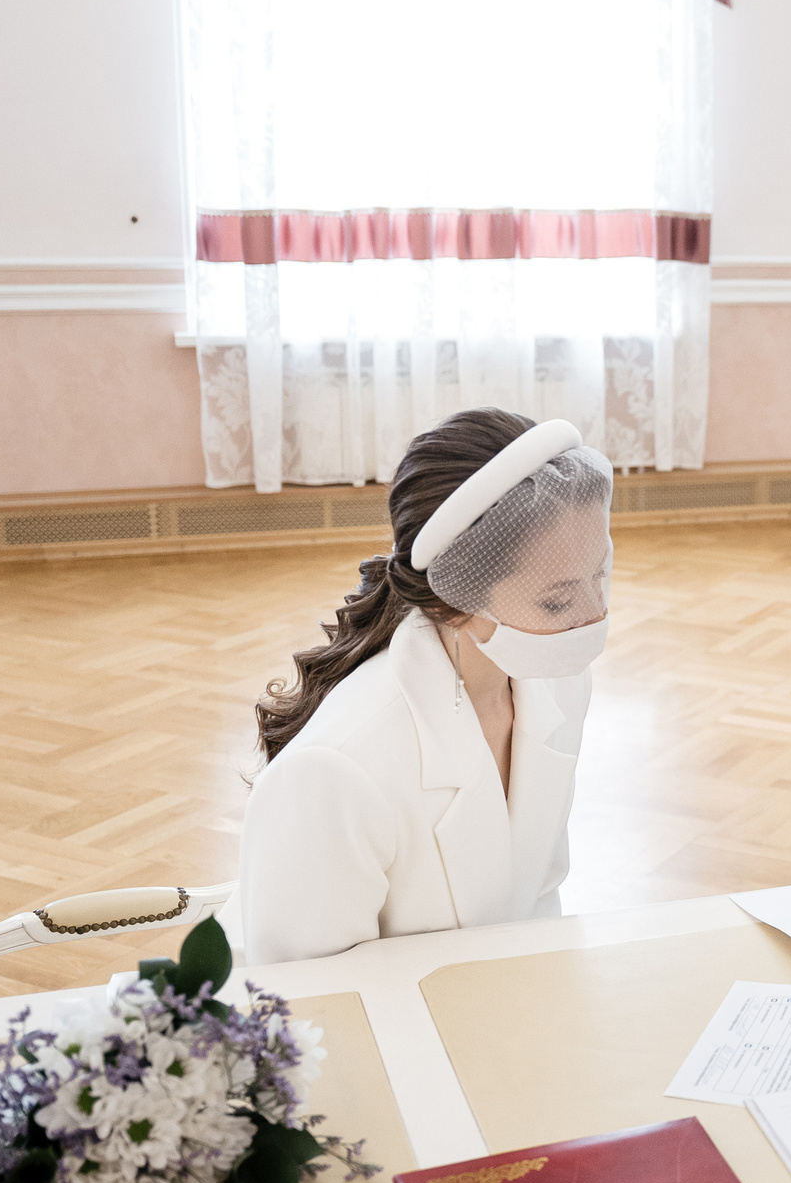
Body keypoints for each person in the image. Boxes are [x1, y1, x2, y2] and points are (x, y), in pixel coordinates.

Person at [228, 410, 614, 963]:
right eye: (555, 600)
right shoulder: (336, 771)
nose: (593, 616)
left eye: (599, 575)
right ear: (448, 600)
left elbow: (537, 898)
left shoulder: (555, 684)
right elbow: (309, 998)